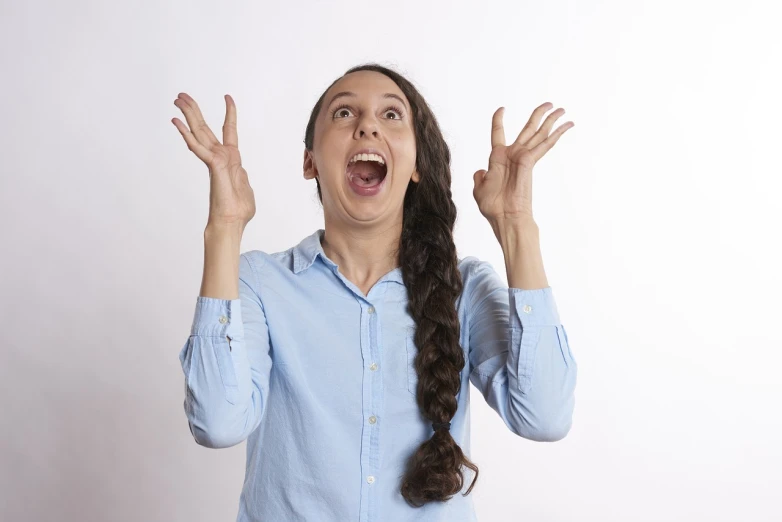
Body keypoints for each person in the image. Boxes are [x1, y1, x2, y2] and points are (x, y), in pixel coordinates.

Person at [172, 63, 578, 522]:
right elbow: (217, 423)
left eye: (391, 115)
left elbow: (544, 416)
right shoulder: (260, 283)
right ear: (310, 162)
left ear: (418, 164)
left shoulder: (466, 290)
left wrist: (515, 225)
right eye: (344, 113)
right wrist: (224, 229)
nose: (366, 124)